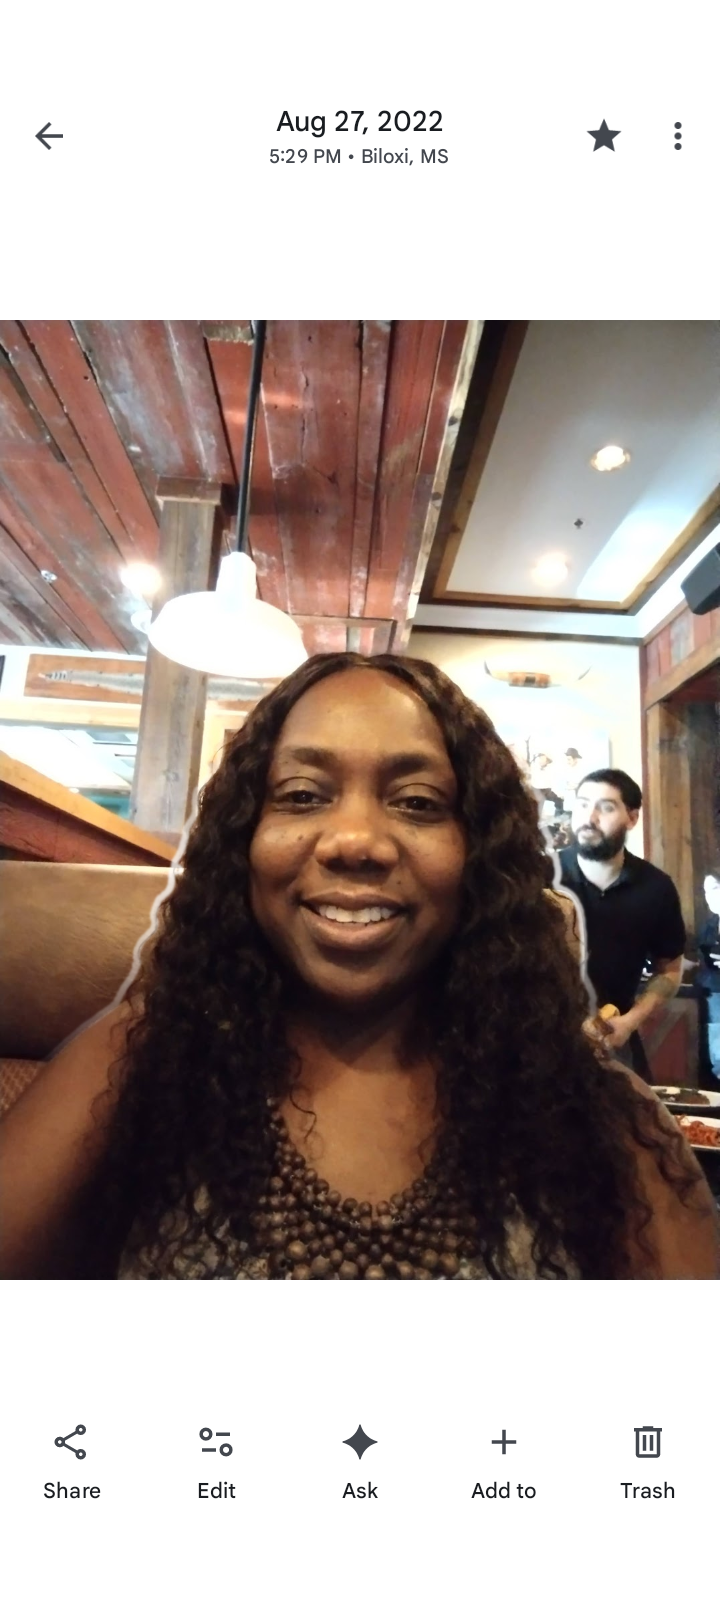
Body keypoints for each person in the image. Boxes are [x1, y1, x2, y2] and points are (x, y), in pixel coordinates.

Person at [1, 658, 716, 1281]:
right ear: (243, 842)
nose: (355, 842)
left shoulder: (590, 1112)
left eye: (417, 803)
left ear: (479, 858)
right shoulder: (138, 1058)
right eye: (303, 795)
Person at [558, 769, 686, 1083]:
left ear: (632, 818)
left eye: (606, 807)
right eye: (583, 803)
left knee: (634, 1129)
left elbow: (669, 969)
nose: (589, 816)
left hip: (614, 1040)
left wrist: (631, 1021)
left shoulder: (656, 887)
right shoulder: (536, 875)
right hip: (533, 1045)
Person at [695, 868, 720, 1080]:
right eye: (706, 891)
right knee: (716, 1058)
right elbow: (702, 959)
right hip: (712, 994)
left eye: (714, 889)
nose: (709, 896)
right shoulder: (709, 925)